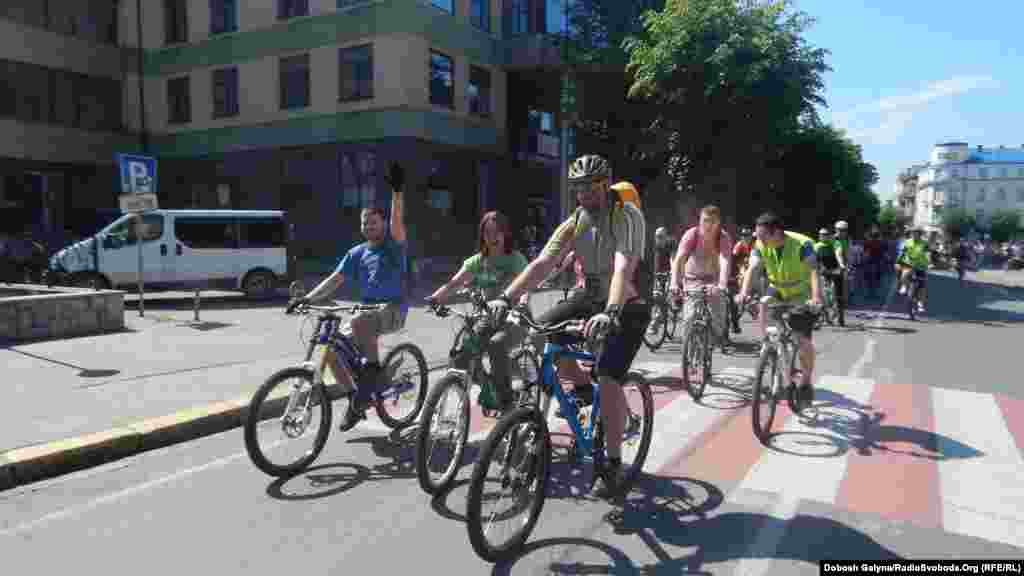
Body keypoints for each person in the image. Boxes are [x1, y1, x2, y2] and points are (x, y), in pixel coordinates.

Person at [486, 153, 650, 498]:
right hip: (589, 296)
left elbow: (623, 268)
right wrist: (506, 297)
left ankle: (612, 463)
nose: (583, 195)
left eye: (590, 188)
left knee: (608, 375)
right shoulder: (577, 219)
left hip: (627, 302)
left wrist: (611, 312)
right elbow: (544, 262)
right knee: (542, 331)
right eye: (578, 188)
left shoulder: (626, 215)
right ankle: (582, 390)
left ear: (605, 185)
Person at [288, 162, 409, 429]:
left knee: (359, 322)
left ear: (383, 224)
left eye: (373, 222)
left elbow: (398, 224)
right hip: (366, 311)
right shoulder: (357, 253)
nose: (368, 226)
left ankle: (372, 373)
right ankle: (356, 398)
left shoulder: (393, 245)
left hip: (393, 309)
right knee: (329, 347)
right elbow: (335, 280)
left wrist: (397, 194)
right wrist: (307, 299)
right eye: (364, 222)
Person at [427, 211, 529, 410]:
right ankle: (490, 388)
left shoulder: (515, 259)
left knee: (496, 344)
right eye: (487, 232)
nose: (492, 236)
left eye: (497, 231)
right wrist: (435, 298)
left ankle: (506, 403)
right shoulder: (478, 261)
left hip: (515, 317)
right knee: (462, 355)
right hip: (488, 318)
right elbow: (454, 283)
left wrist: (522, 304)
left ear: (505, 233)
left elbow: (526, 286)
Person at [735, 212, 822, 405]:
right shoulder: (760, 245)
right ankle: (774, 351)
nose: (759, 241)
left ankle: (806, 381)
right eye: (757, 236)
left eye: (763, 236)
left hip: (801, 292)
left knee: (802, 340)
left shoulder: (802, 244)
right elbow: (753, 268)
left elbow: (813, 270)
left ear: (776, 232)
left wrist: (816, 297)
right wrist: (743, 293)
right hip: (777, 288)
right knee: (765, 311)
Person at [669, 206, 733, 347]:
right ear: (699, 220)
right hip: (692, 278)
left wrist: (722, 284)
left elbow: (725, 260)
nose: (708, 225)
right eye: (705, 220)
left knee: (718, 320)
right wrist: (674, 283)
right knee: (689, 318)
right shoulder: (692, 234)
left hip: (714, 280)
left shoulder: (723, 237)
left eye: (712, 221)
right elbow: (679, 259)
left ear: (718, 222)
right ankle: (688, 350)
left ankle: (712, 342)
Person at [814, 227, 846, 326]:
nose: (824, 236)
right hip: (824, 273)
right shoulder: (816, 246)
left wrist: (841, 264)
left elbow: (838, 254)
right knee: (825, 298)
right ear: (819, 236)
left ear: (829, 236)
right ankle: (827, 318)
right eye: (822, 235)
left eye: (826, 234)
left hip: (836, 272)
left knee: (836, 296)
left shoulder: (835, 243)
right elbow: (814, 261)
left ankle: (839, 318)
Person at [649, 226, 678, 333]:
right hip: (658, 273)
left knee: (667, 293)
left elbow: (673, 258)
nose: (658, 239)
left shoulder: (671, 243)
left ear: (666, 237)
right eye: (657, 236)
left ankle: (656, 321)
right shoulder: (654, 245)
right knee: (657, 296)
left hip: (669, 272)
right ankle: (660, 315)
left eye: (661, 236)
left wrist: (673, 272)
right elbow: (653, 259)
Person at [896, 227, 930, 312]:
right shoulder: (907, 242)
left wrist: (929, 263)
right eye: (913, 233)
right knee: (904, 275)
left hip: (921, 265)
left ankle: (920, 303)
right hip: (909, 263)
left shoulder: (924, 243)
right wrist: (898, 262)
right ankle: (904, 286)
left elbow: (928, 254)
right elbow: (903, 252)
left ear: (920, 234)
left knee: (923, 286)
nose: (914, 234)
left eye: (916, 233)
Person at [728, 227, 755, 333]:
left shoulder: (756, 245)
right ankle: (744, 297)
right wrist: (732, 274)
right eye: (743, 236)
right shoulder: (738, 246)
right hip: (742, 271)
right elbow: (732, 261)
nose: (745, 238)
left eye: (747, 235)